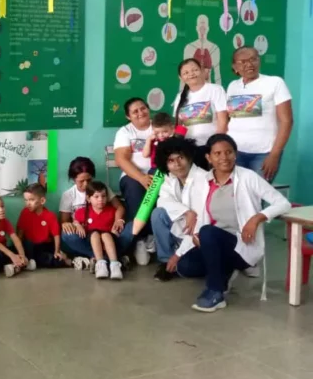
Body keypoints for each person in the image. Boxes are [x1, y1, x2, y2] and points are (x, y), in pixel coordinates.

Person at [173, 134, 290, 312]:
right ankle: (225, 272)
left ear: (235, 154)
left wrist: (256, 218)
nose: (224, 158)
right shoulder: (202, 182)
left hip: (242, 244)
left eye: (229, 152)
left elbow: (283, 203)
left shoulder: (248, 177)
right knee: (185, 266)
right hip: (212, 241)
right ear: (209, 158)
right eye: (217, 153)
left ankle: (216, 292)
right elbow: (198, 214)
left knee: (208, 232)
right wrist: (192, 240)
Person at [226, 46, 293, 182]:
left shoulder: (275, 83)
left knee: (257, 197)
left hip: (264, 153)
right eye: (243, 62)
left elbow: (287, 121)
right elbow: (230, 118)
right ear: (235, 67)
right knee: (236, 196)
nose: (249, 64)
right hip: (235, 152)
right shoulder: (233, 86)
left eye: (253, 59)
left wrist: (274, 154)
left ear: (259, 61)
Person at [149, 136, 209, 282]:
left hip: (199, 237)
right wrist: (187, 212)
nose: (177, 164)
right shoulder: (170, 178)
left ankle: (177, 259)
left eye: (180, 157)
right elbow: (163, 201)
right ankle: (165, 261)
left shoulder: (204, 179)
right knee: (158, 214)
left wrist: (179, 255)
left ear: (189, 157)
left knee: (186, 267)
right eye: (171, 160)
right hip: (182, 229)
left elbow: (202, 222)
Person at [58, 157, 131, 269]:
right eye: (81, 181)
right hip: (84, 237)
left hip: (107, 233)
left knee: (131, 227)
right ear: (73, 179)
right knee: (67, 235)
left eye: (89, 180)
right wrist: (69, 224)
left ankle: (97, 259)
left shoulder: (101, 188)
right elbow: (64, 221)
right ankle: (109, 258)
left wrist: (118, 220)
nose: (86, 184)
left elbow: (119, 207)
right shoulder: (68, 195)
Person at [112, 97, 155, 262]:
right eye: (135, 111)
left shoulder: (156, 126)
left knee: (164, 190)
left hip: (156, 173)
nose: (140, 113)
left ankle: (153, 234)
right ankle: (140, 239)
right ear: (128, 116)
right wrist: (141, 177)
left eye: (143, 108)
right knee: (135, 189)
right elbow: (121, 160)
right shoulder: (125, 132)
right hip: (132, 176)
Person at [173, 58, 228, 169]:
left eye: (195, 70)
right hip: (189, 148)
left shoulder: (215, 90)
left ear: (202, 71)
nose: (191, 74)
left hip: (210, 148)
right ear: (181, 78)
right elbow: (178, 126)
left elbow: (223, 121)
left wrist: (216, 147)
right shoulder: (180, 96)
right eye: (186, 73)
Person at [71, 182, 123, 280]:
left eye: (103, 196)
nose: (100, 200)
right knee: (94, 233)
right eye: (96, 196)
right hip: (92, 243)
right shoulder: (82, 212)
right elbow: (75, 221)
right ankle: (101, 264)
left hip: (109, 242)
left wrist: (118, 223)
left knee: (105, 235)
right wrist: (77, 225)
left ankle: (115, 265)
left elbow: (117, 225)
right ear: (88, 198)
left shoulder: (111, 211)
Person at [16, 184, 69, 268]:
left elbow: (56, 236)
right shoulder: (25, 212)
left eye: (31, 200)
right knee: (28, 244)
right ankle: (30, 261)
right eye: (25, 200)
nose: (28, 203)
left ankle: (34, 261)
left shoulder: (50, 216)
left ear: (42, 201)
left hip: (44, 246)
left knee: (56, 259)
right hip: (30, 246)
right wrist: (19, 252)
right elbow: (20, 234)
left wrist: (57, 251)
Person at [183, 15, 222, 84]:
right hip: (193, 88)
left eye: (204, 27)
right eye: (200, 27)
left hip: (208, 87)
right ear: (196, 28)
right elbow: (185, 74)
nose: (202, 30)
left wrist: (219, 91)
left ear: (208, 28)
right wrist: (183, 93)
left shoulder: (214, 48)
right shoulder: (189, 48)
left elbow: (217, 75)